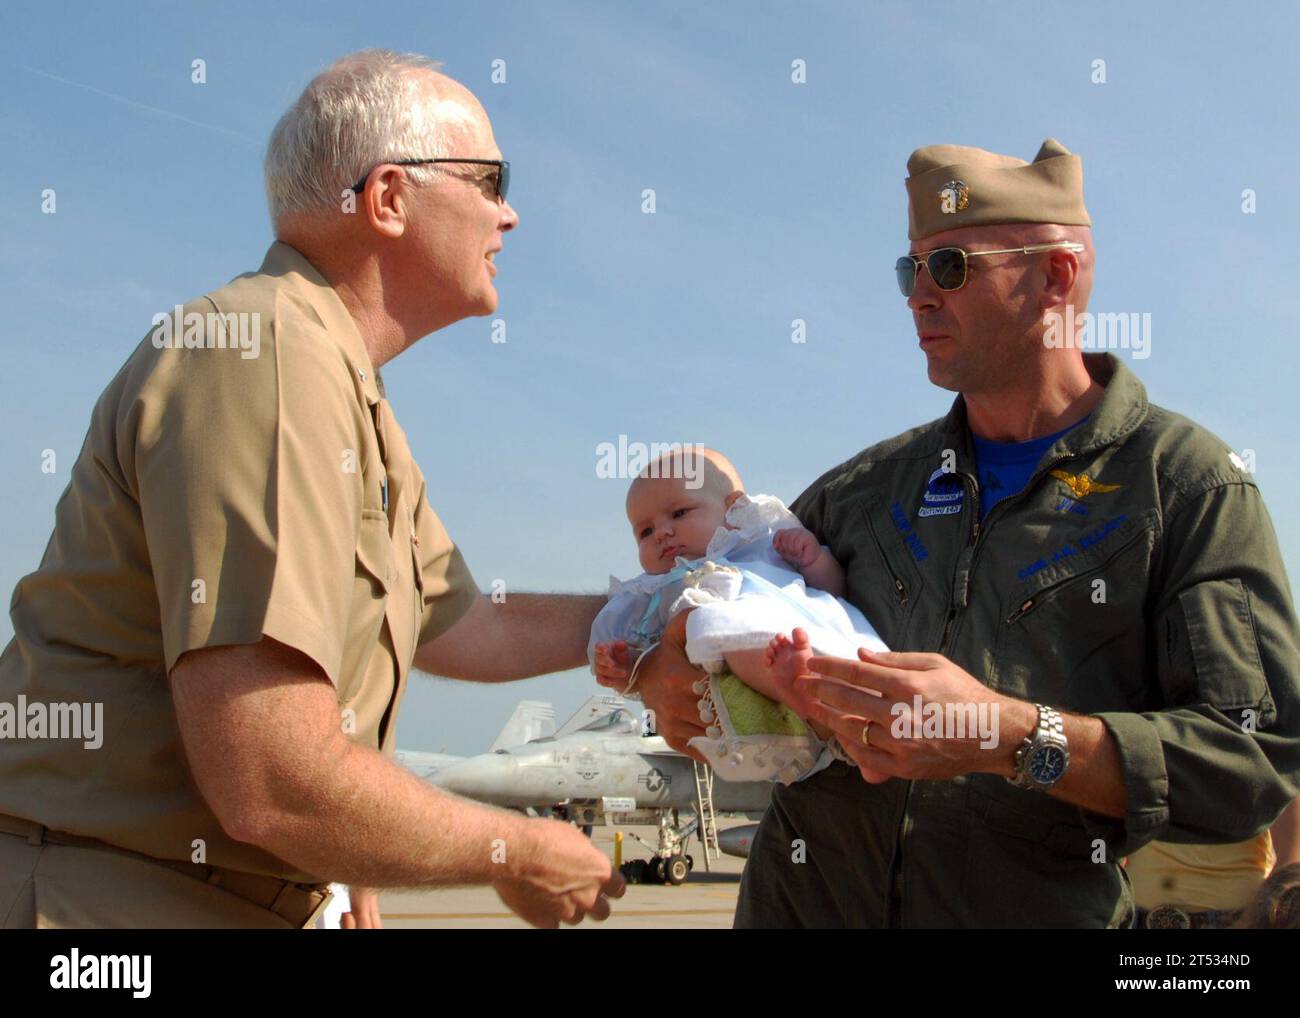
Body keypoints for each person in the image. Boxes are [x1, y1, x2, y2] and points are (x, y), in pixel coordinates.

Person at [0, 49, 622, 929]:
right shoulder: (266, 355)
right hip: (109, 905)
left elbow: (469, 624)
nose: (510, 213)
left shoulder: (342, 387)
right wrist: (512, 850)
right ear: (389, 199)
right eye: (490, 179)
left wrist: (649, 615)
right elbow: (271, 783)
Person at [628, 138, 1300, 927]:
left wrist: (1009, 736)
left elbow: (1250, 758)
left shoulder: (1186, 489)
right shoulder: (862, 493)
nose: (918, 297)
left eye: (951, 268)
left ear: (1056, 277)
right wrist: (658, 666)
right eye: (910, 271)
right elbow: (705, 593)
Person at [590, 447, 888, 784]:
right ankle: (803, 696)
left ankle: (864, 746)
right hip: (763, 668)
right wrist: (627, 666)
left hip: (813, 632)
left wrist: (812, 560)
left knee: (850, 673)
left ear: (733, 510)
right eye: (645, 532)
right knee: (718, 625)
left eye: (679, 513)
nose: (662, 533)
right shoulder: (660, 594)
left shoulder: (763, 545)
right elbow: (654, 662)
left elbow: (833, 592)